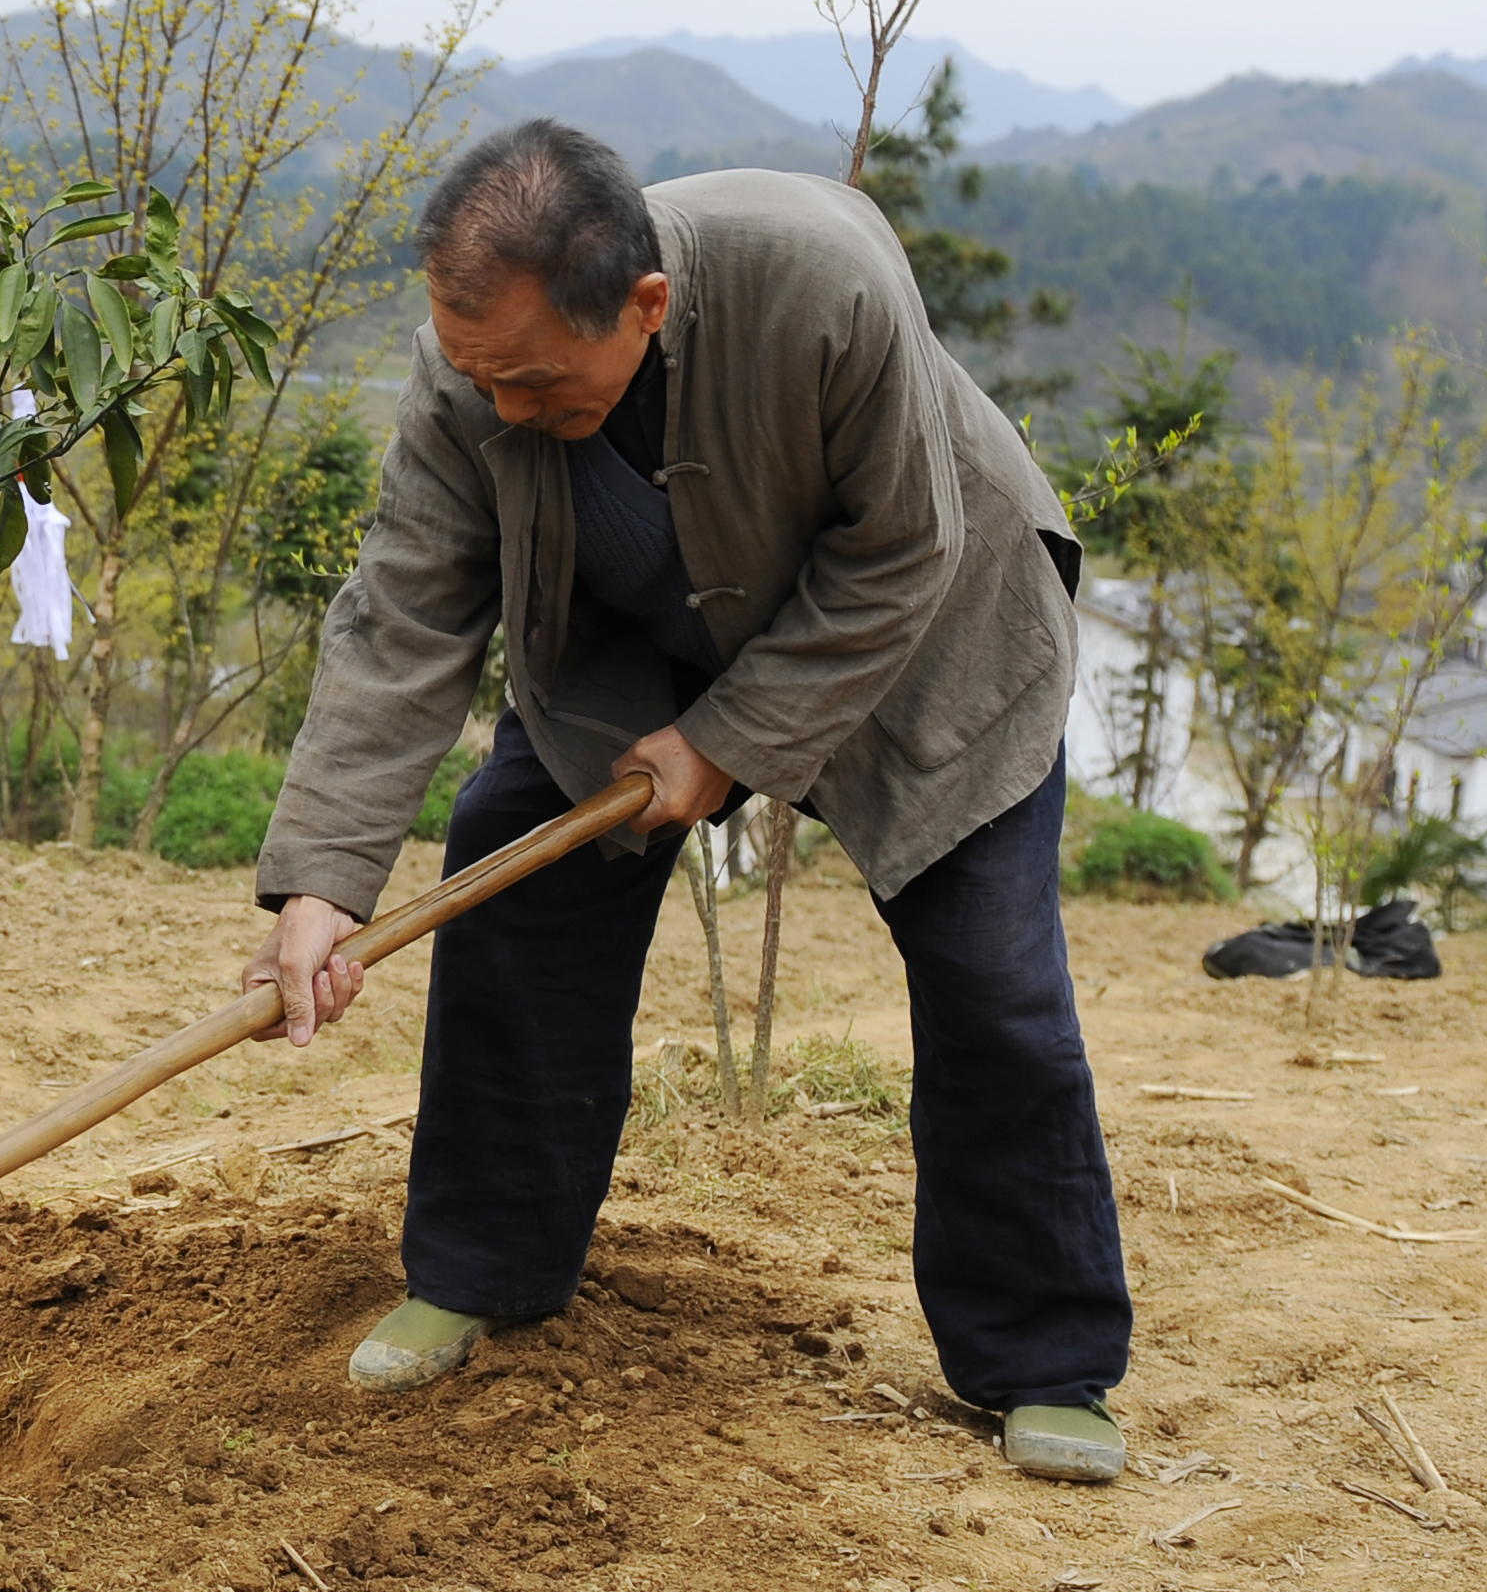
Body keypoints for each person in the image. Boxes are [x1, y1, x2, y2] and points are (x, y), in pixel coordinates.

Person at [241, 119, 1133, 1481]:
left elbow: (904, 548)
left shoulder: (822, 274)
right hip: (634, 651)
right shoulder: (472, 363)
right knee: (514, 886)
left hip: (935, 646)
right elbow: (407, 610)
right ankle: (484, 1267)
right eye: (486, 382)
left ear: (643, 306)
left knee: (996, 987)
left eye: (538, 385)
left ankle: (1042, 1357)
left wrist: (725, 741)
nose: (507, 408)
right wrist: (323, 882)